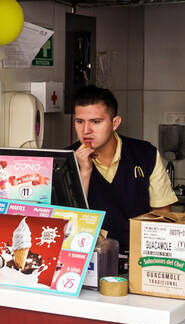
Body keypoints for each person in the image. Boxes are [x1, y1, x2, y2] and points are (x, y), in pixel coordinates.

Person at [69, 85, 176, 255]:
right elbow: (70, 222)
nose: (86, 130)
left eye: (96, 122)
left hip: (139, 253)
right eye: (79, 121)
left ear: (115, 123)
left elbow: (162, 215)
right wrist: (84, 172)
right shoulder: (67, 159)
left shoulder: (145, 154)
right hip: (90, 256)